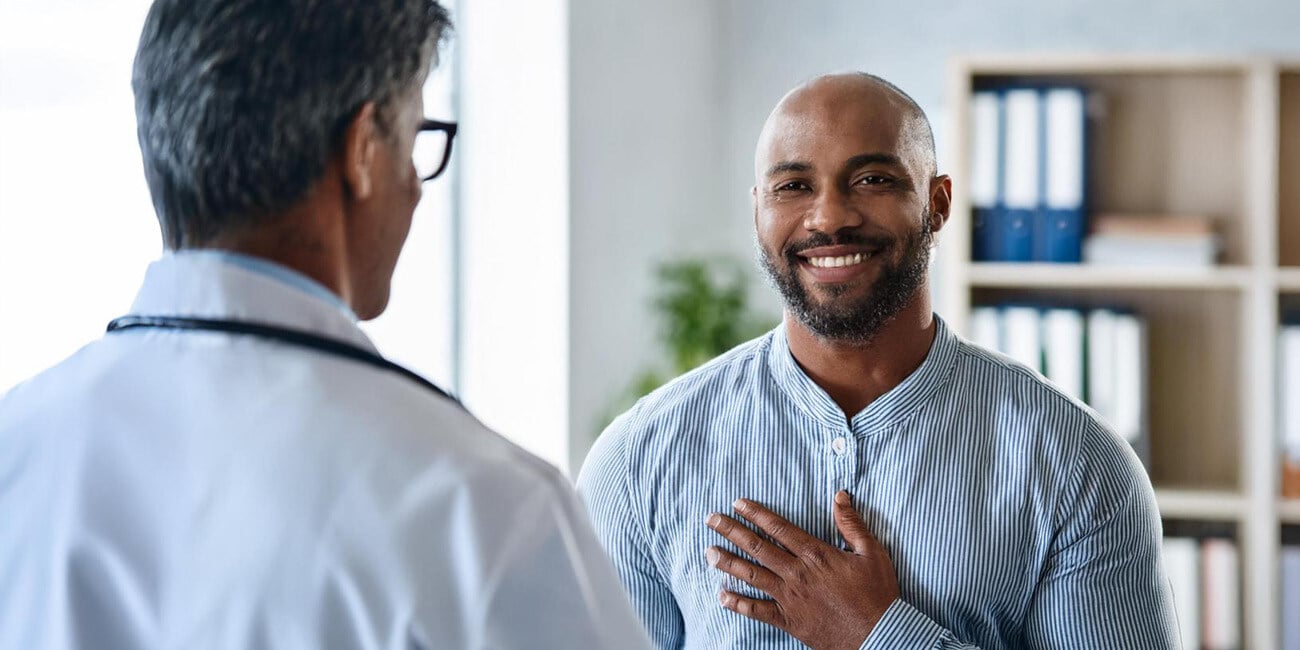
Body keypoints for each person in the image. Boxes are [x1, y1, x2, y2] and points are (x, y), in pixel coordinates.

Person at [0, 1, 651, 648]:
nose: (418, 189)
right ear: (363, 151)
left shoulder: (17, 444)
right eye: (419, 138)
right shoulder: (481, 508)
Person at [578, 73, 1179, 649]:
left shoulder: (1080, 466)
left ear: (938, 204)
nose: (830, 216)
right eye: (794, 186)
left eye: (871, 179)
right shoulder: (636, 461)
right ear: (758, 211)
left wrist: (877, 637)